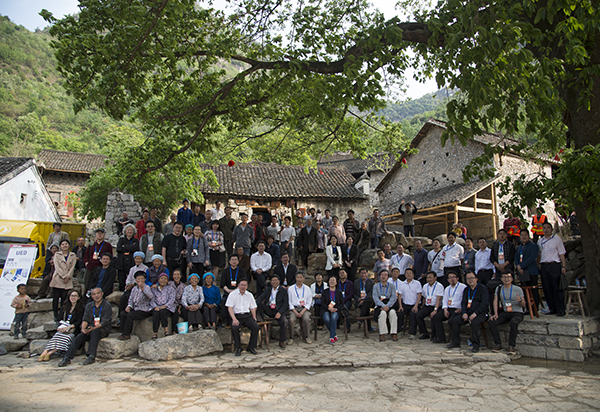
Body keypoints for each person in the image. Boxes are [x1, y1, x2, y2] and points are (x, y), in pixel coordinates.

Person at [58, 287, 112, 367]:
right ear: (91, 296)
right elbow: (85, 319)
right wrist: (83, 329)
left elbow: (105, 321)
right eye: (94, 294)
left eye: (98, 293)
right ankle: (67, 357)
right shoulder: (89, 305)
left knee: (95, 332)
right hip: (90, 328)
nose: (96, 296)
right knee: (80, 336)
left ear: (102, 294)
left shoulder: (107, 305)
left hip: (102, 328)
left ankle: (91, 356)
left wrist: (93, 328)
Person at [447, 271, 488, 352]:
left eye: (472, 278)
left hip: (480, 313)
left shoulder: (483, 288)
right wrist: (464, 313)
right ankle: (455, 342)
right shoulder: (466, 289)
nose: (470, 280)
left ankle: (476, 345)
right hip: (468, 312)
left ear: (476, 279)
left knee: (475, 322)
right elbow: (463, 303)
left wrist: (475, 313)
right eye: (468, 278)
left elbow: (484, 303)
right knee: (455, 320)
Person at [38, 289, 84, 361]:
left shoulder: (81, 308)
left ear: (78, 297)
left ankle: (50, 353)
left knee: (66, 338)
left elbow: (79, 321)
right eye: (72, 296)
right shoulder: (65, 307)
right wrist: (60, 327)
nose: (73, 297)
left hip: (72, 329)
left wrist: (69, 327)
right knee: (56, 336)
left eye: (75, 296)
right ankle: (44, 352)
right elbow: (59, 318)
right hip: (63, 327)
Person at [489, 272, 525, 353]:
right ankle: (498, 344)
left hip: (517, 312)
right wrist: (495, 314)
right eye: (504, 277)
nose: (506, 279)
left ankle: (511, 346)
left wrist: (520, 300)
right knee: (492, 322)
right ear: (501, 279)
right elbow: (495, 300)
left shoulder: (518, 289)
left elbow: (524, 304)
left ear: (512, 279)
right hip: (506, 312)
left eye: (508, 277)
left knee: (513, 323)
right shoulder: (499, 288)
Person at [538, 221, 567, 316]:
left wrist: (563, 265)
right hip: (544, 265)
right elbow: (539, 255)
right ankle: (551, 308)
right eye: (544, 228)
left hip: (554, 265)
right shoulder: (540, 241)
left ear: (551, 229)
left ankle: (560, 309)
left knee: (557, 287)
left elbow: (561, 253)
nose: (546, 230)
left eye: (548, 228)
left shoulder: (557, 240)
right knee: (547, 287)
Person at [431, 271, 466, 343]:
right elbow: (445, 300)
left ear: (457, 278)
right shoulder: (447, 288)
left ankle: (454, 340)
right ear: (448, 280)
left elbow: (465, 300)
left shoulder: (463, 287)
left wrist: (461, 308)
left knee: (452, 321)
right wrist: (445, 309)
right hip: (448, 308)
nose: (452, 279)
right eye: (450, 278)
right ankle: (441, 338)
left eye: (453, 277)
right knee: (436, 317)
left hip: (458, 309)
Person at [226, 279, 259, 356]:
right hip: (236, 316)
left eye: (245, 285)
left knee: (256, 327)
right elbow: (229, 308)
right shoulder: (233, 294)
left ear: (247, 286)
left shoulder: (249, 295)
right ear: (238, 285)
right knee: (234, 328)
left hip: (247, 316)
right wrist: (234, 319)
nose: (243, 287)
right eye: (241, 285)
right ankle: (238, 348)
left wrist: (254, 318)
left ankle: (251, 347)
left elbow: (253, 308)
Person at [256, 274, 289, 348]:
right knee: (259, 305)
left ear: (279, 281)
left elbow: (285, 304)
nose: (274, 282)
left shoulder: (283, 291)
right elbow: (260, 298)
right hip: (270, 309)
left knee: (284, 322)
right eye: (272, 280)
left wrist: (280, 312)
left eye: (276, 280)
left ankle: (282, 341)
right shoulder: (268, 289)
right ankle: (260, 321)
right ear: (270, 282)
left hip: (279, 310)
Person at [118, 271, 152, 340]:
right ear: (136, 280)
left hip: (144, 310)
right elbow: (130, 299)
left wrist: (143, 289)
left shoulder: (147, 287)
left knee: (130, 315)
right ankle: (122, 331)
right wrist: (129, 306)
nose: (140, 281)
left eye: (142, 279)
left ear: (144, 279)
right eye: (138, 279)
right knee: (123, 313)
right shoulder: (134, 289)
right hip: (135, 308)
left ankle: (127, 334)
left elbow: (150, 296)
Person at [51, 239, 77, 322]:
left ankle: (62, 315)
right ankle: (55, 315)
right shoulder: (57, 254)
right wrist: (63, 276)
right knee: (55, 299)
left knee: (64, 299)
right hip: (58, 278)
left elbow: (72, 267)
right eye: (63, 244)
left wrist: (68, 276)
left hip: (67, 280)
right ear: (60, 246)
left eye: (66, 244)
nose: (65, 245)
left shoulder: (73, 255)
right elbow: (57, 266)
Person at [516, 229, 541, 309]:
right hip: (522, 272)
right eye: (522, 235)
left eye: (525, 235)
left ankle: (535, 308)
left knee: (533, 290)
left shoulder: (533, 246)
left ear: (528, 236)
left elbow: (532, 257)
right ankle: (527, 307)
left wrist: (522, 266)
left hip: (531, 271)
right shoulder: (519, 247)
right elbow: (516, 258)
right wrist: (518, 266)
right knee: (524, 290)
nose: (524, 237)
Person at [220, 254, 247, 326]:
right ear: (229, 261)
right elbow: (223, 284)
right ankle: (225, 321)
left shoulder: (242, 271)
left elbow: (244, 282)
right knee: (223, 301)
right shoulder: (225, 271)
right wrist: (228, 290)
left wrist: (236, 290)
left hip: (239, 291)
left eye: (235, 260)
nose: (234, 261)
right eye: (232, 260)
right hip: (228, 292)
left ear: (238, 261)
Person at [416, 271, 444, 340]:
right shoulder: (425, 286)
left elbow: (439, 299)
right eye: (428, 278)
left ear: (435, 278)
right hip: (427, 305)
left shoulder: (439, 286)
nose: (429, 279)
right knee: (418, 315)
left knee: (434, 316)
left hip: (436, 306)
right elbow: (424, 297)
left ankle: (434, 335)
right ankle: (424, 333)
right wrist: (423, 306)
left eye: (430, 277)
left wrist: (435, 310)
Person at [83, 229, 113, 293]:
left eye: (101, 233)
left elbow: (110, 256)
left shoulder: (107, 245)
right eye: (98, 233)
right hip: (90, 267)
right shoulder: (91, 245)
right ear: (95, 235)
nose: (99, 235)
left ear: (104, 235)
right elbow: (86, 255)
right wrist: (86, 262)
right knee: (87, 285)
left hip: (101, 267)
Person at [287, 272, 313, 344]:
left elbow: (309, 302)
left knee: (306, 319)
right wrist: (295, 311)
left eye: (301, 277)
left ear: (304, 278)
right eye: (297, 277)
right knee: (291, 319)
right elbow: (289, 302)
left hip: (304, 308)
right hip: (294, 309)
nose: (299, 279)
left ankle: (307, 337)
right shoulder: (291, 289)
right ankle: (291, 337)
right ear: (295, 278)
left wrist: (303, 311)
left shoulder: (307, 288)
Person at [373, 270, 398, 341]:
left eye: (385, 275)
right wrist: (383, 306)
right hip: (380, 306)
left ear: (388, 277)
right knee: (382, 313)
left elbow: (393, 297)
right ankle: (382, 334)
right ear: (379, 276)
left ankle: (394, 333)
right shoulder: (375, 286)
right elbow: (376, 298)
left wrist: (387, 306)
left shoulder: (392, 286)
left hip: (390, 305)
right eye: (382, 275)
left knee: (393, 313)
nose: (383, 276)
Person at [397, 268, 422, 339]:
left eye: (410, 273)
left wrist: (416, 306)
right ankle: (399, 331)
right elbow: (399, 296)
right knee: (399, 314)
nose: (408, 275)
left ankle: (413, 333)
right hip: (405, 304)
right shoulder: (402, 284)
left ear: (413, 275)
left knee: (413, 315)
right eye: (407, 273)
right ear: (405, 275)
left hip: (414, 304)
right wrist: (400, 306)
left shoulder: (417, 283)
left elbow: (419, 295)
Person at [150, 273, 176, 339]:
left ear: (167, 281)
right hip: (156, 306)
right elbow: (151, 299)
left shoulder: (171, 288)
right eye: (161, 278)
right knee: (156, 313)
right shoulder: (154, 289)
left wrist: (165, 306)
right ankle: (155, 332)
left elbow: (172, 299)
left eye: (165, 279)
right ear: (158, 280)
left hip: (167, 307)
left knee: (162, 312)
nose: (163, 280)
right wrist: (155, 306)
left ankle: (166, 330)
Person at [320, 276, 344, 344]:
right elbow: (322, 303)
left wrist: (336, 309)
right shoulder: (325, 291)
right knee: (326, 319)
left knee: (333, 318)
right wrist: (328, 308)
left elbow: (342, 303)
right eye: (330, 280)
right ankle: (334, 334)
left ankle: (331, 337)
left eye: (333, 280)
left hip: (336, 310)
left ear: (336, 282)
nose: (332, 281)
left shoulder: (339, 292)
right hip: (326, 309)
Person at [116, 224, 140, 291]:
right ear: (125, 231)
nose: (130, 231)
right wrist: (130, 247)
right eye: (128, 230)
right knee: (121, 280)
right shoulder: (121, 239)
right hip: (122, 262)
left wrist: (124, 246)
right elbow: (118, 249)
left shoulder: (136, 240)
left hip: (131, 262)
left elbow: (135, 249)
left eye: (131, 230)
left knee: (131, 278)